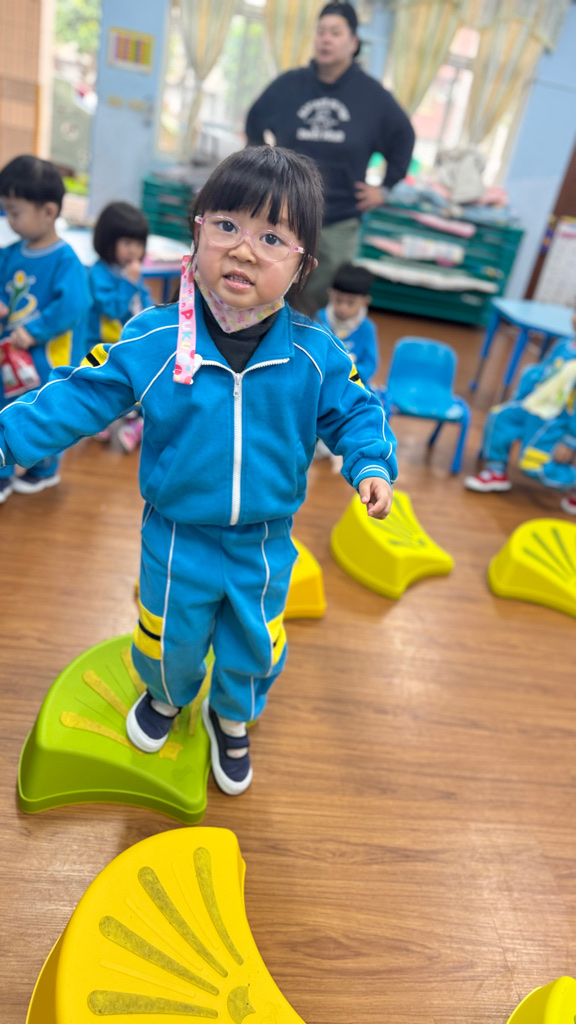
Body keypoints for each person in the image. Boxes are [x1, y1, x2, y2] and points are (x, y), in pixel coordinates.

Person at [0, 146, 397, 796]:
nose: (244, 250)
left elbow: (357, 409)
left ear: (303, 264)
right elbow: (79, 394)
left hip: (263, 541)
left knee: (255, 641)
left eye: (272, 238)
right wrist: (6, 439)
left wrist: (370, 461)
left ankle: (231, 715)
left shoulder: (314, 353)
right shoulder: (156, 338)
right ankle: (166, 697)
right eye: (227, 225)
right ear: (197, 231)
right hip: (177, 533)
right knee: (168, 636)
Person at [245, 1, 414, 316]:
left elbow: (404, 137)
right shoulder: (288, 86)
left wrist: (386, 187)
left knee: (321, 308)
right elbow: (254, 122)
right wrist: (263, 171)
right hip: (284, 214)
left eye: (335, 33)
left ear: (354, 42)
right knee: (268, 294)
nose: (326, 39)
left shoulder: (373, 97)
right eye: (321, 31)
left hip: (338, 220)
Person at [0, 155, 90, 503]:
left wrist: (35, 330)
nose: (9, 220)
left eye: (15, 212)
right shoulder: (10, 253)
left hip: (43, 357)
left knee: (38, 412)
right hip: (11, 354)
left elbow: (73, 305)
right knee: (9, 408)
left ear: (49, 211)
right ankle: (17, 471)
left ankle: (38, 470)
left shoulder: (66, 260)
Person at [464, 328, 576, 514]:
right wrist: (521, 396)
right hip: (533, 405)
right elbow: (542, 372)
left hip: (555, 421)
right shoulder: (564, 344)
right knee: (500, 416)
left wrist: (570, 442)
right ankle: (496, 472)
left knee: (533, 466)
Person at [88, 202, 151, 453]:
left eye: (139, 243)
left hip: (128, 343)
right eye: (127, 242)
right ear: (108, 240)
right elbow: (111, 309)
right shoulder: (98, 274)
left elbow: (143, 300)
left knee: (141, 379)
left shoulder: (129, 271)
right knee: (101, 383)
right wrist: (129, 282)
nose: (134, 250)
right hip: (99, 346)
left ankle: (137, 423)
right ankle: (102, 418)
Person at [317, 262, 379, 388]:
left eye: (351, 303)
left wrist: (348, 370)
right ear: (330, 294)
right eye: (338, 300)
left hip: (352, 384)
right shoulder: (319, 319)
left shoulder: (366, 328)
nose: (343, 308)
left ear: (365, 302)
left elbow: (369, 366)